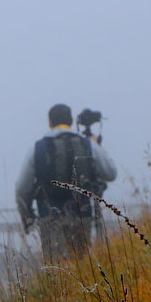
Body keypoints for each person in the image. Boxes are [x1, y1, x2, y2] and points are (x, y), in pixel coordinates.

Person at [15, 103, 117, 262]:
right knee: (81, 265)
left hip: (50, 218)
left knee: (56, 270)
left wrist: (27, 216)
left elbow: (22, 188)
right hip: (82, 216)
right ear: (70, 120)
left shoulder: (37, 149)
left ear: (49, 122)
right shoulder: (87, 145)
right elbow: (110, 173)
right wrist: (96, 145)